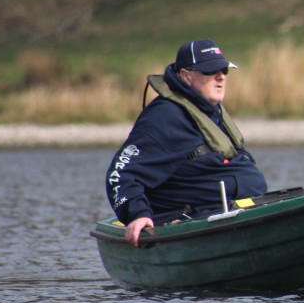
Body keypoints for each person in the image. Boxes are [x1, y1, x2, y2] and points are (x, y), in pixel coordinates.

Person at [106, 39, 267, 246]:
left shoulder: (210, 110)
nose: (220, 77)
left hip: (236, 208)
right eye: (210, 71)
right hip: (195, 221)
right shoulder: (165, 117)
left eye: (224, 71)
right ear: (186, 76)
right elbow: (121, 174)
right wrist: (137, 214)